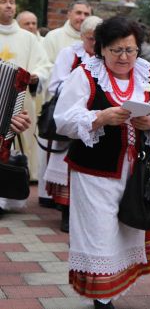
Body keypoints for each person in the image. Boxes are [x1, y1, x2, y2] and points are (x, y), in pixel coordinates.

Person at [53, 16, 150, 309]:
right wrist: (100, 117)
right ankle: (102, 298)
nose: (124, 57)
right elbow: (63, 120)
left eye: (130, 50)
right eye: (116, 50)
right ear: (102, 49)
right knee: (99, 232)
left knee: (128, 229)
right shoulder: (85, 75)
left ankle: (113, 289)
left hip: (136, 172)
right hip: (95, 172)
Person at [43, 16, 103, 232]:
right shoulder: (69, 54)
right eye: (90, 39)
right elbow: (55, 85)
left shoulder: (105, 57)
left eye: (99, 39)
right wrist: (77, 87)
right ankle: (67, 213)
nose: (95, 44)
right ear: (82, 37)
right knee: (68, 165)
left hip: (98, 120)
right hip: (73, 115)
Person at [0, 0, 50, 212]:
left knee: (15, 146)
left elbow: (44, 64)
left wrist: (36, 74)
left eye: (11, 2)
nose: (9, 6)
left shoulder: (28, 38)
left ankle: (11, 194)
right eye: (3, 2)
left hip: (20, 100)